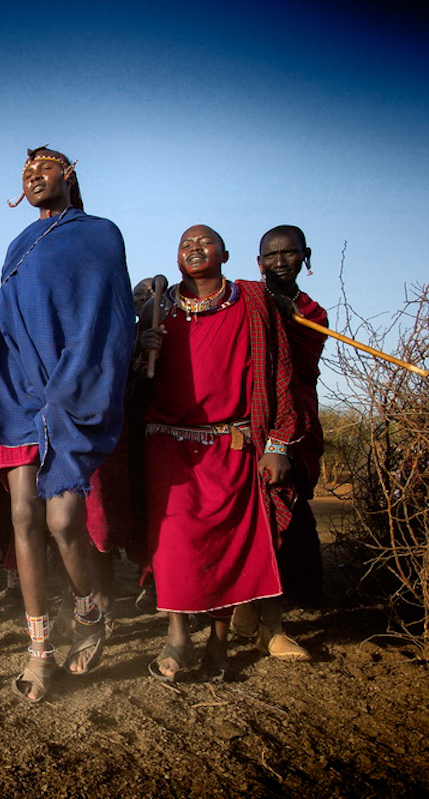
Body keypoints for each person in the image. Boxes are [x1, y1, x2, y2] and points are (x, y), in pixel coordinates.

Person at [0, 147, 135, 701]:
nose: (34, 178)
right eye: (25, 174)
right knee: (23, 515)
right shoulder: (19, 243)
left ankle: (89, 609)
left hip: (72, 386)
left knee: (65, 520)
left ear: (69, 176)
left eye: (43, 170)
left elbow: (107, 317)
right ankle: (39, 649)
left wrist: (73, 383)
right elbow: (8, 323)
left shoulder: (99, 233)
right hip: (19, 390)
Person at [138, 225, 303, 682]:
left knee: (225, 547)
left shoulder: (252, 303)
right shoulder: (157, 308)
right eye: (184, 243)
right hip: (166, 443)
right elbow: (130, 377)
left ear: (225, 254)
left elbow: (279, 373)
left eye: (203, 242)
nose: (193, 248)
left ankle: (219, 643)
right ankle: (176, 638)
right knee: (172, 544)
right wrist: (139, 347)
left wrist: (276, 444)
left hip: (231, 443)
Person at [227, 225, 324, 661]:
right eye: (271, 255)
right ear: (258, 262)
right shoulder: (241, 302)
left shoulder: (312, 312)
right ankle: (244, 604)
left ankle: (280, 613)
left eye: (289, 253)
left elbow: (300, 366)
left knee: (286, 514)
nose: (280, 261)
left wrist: (284, 318)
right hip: (243, 422)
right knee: (242, 517)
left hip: (293, 424)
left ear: (306, 256)